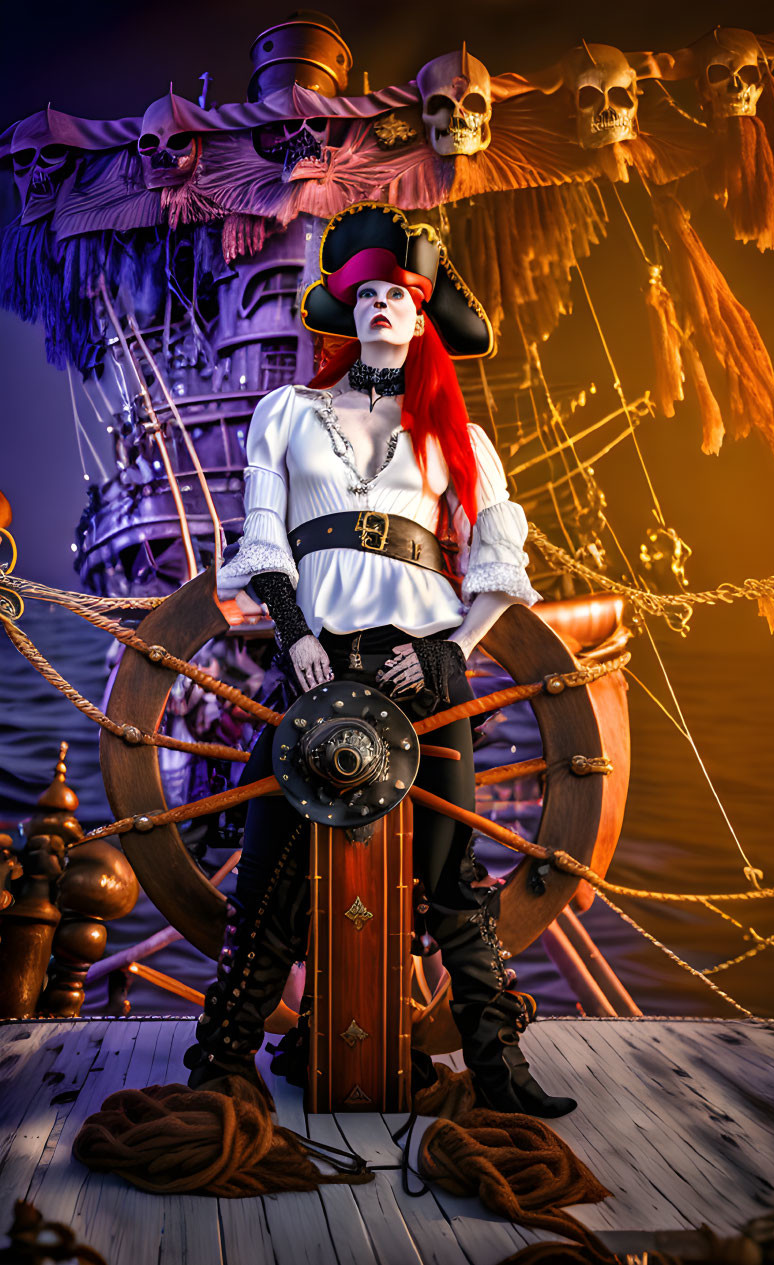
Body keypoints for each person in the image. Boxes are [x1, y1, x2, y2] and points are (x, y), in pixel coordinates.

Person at [184, 202, 576, 1118]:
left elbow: (494, 567)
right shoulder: (287, 411)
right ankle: (222, 1062)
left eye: (400, 294)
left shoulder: (458, 437)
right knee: (269, 867)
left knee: (452, 880)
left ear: (423, 316)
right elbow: (266, 536)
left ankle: (500, 1073)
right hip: (317, 661)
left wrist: (447, 654)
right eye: (366, 294)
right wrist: (298, 637)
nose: (381, 306)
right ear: (344, 309)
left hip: (422, 672)